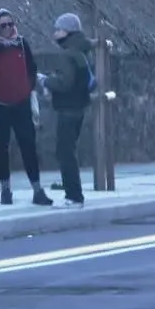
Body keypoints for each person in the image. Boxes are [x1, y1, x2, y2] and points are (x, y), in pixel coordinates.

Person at [0, 9, 53, 206]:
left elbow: (32, 67)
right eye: (3, 25)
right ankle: (6, 190)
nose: (8, 28)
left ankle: (37, 189)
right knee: (1, 148)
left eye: (11, 24)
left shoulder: (22, 43)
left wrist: (29, 86)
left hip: (21, 103)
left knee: (28, 146)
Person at [43, 12, 94, 207]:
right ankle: (74, 193)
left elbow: (65, 83)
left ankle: (74, 196)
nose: (55, 33)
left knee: (65, 153)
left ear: (68, 31)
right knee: (69, 151)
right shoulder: (82, 51)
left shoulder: (67, 54)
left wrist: (46, 81)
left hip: (67, 108)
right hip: (79, 107)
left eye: (59, 29)